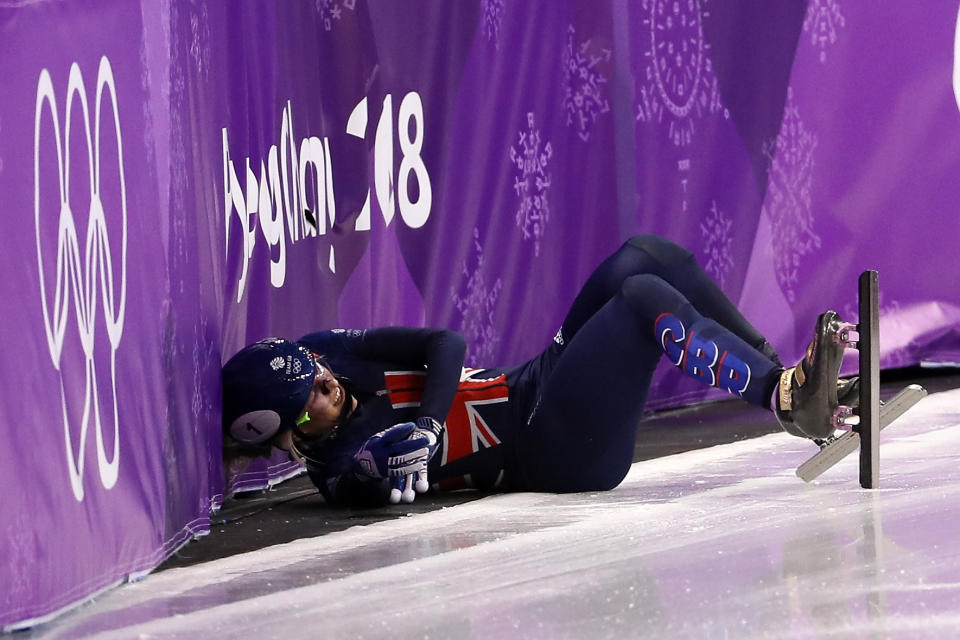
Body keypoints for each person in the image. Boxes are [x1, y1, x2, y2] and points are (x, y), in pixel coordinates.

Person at [222, 235, 857, 507]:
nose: (327, 383)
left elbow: (445, 343)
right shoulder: (341, 469)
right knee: (638, 297)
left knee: (646, 254)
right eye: (312, 398)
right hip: (548, 447)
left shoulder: (328, 355)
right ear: (294, 434)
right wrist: (391, 458)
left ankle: (791, 382)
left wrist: (428, 426)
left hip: (531, 380)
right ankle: (783, 397)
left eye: (318, 371)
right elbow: (361, 480)